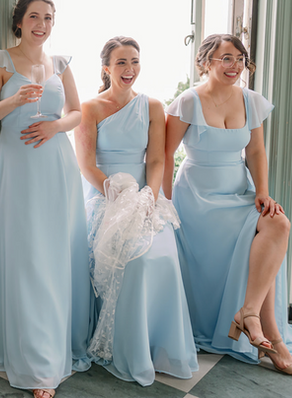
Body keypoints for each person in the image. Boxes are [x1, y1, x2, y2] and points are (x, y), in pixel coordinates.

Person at [163, 34, 292, 376]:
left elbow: (256, 151)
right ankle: (272, 337)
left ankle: (249, 314)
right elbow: (166, 154)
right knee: (260, 236)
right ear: (206, 63)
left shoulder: (252, 100)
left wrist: (263, 191)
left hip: (239, 190)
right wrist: (164, 202)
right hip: (197, 197)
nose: (235, 66)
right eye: (226, 58)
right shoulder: (187, 101)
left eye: (240, 59)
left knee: (278, 223)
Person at [0, 0, 91, 398]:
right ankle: (37, 364)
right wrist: (14, 99)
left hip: (57, 168)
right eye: (35, 17)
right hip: (18, 169)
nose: (42, 24)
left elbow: (77, 112)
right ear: (18, 21)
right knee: (28, 257)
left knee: (54, 256)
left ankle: (55, 347)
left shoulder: (60, 65)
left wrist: (57, 128)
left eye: (49, 18)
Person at [74, 36, 198, 386]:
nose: (129, 69)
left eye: (134, 61)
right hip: (105, 195)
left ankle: (160, 347)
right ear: (106, 68)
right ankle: (128, 348)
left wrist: (147, 197)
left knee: (160, 255)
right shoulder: (91, 108)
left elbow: (158, 159)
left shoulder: (154, 107)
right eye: (121, 63)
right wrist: (116, 194)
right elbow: (86, 164)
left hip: (146, 195)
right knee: (133, 259)